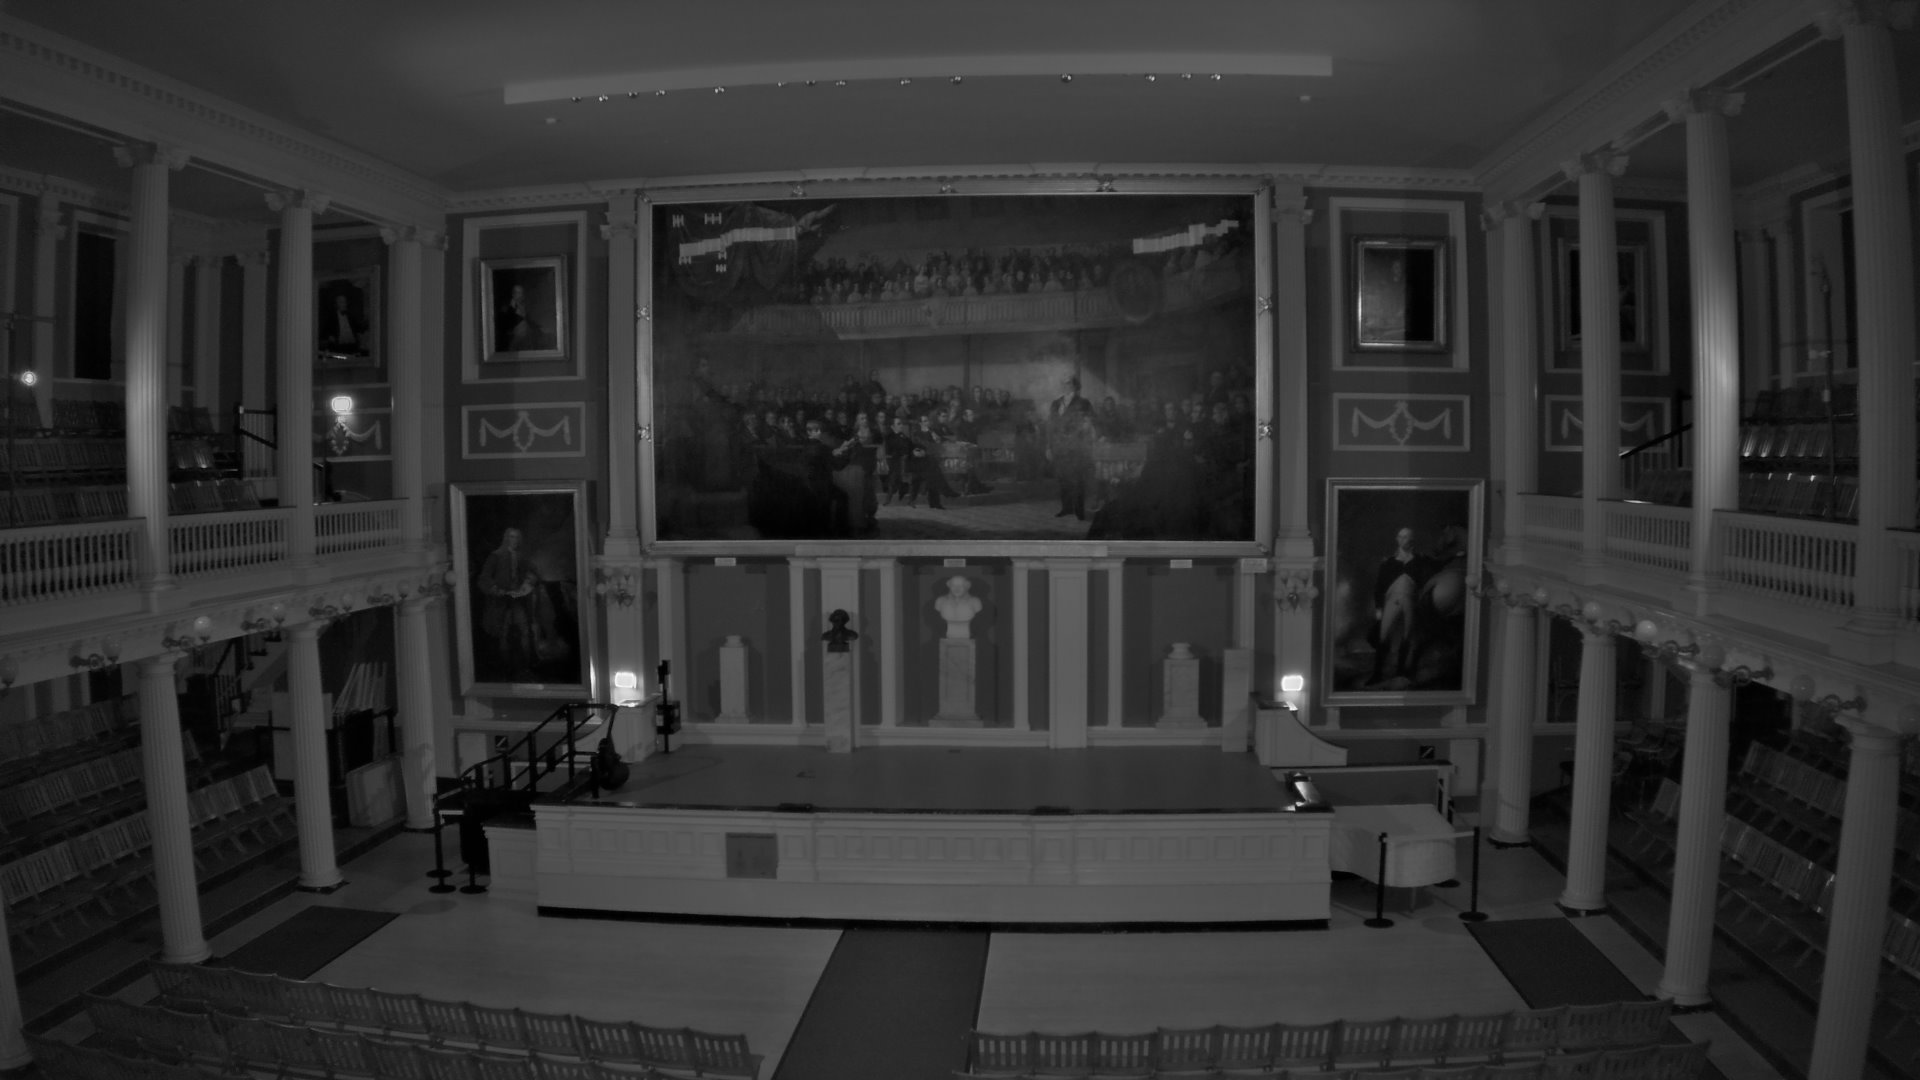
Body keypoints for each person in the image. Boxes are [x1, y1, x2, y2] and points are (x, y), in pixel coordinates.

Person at [475, 527, 552, 680]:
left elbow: (534, 573)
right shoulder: (496, 556)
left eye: (516, 537)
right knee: (503, 634)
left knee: (524, 631)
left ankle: (525, 666)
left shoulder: (522, 557)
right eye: (511, 537)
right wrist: (496, 590)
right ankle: (505, 669)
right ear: (506, 538)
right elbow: (484, 580)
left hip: (518, 600)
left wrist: (530, 582)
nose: (514, 540)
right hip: (500, 602)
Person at [1370, 526, 1435, 686]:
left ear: (1412, 540)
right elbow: (1379, 587)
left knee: (1408, 636)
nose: (1402, 539)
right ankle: (1377, 674)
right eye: (1400, 536)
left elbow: (1426, 579)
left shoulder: (1420, 561)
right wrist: (1378, 608)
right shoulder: (1388, 563)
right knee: (1383, 636)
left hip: (1410, 602)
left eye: (1405, 537)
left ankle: (1401, 672)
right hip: (1392, 601)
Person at [495, 282, 541, 353]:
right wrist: (512, 308)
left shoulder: (524, 307)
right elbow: (505, 326)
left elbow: (529, 321)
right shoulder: (506, 308)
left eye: (521, 293)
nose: (520, 295)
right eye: (518, 293)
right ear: (513, 294)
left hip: (526, 341)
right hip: (514, 342)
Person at [319, 292, 369, 357]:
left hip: (353, 347)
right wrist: (330, 337)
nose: (344, 304)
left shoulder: (351, 317)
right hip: (339, 348)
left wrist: (367, 322)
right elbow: (324, 333)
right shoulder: (331, 318)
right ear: (336, 305)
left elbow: (359, 329)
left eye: (345, 302)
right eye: (341, 302)